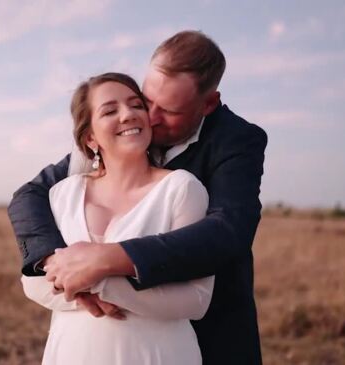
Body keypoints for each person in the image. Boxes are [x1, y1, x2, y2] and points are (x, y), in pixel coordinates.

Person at [8, 30, 267, 365]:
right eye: (147, 100)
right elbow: (29, 196)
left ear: (208, 104)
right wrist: (52, 261)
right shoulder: (113, 139)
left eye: (170, 111)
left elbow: (228, 230)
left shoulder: (237, 142)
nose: (150, 117)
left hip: (208, 330)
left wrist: (106, 260)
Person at [21, 72, 214, 364]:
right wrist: (88, 288)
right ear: (90, 137)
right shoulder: (63, 193)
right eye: (110, 110)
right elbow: (32, 283)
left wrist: (100, 282)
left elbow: (197, 299)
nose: (128, 115)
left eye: (137, 105)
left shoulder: (182, 188)